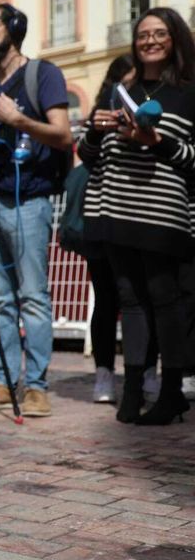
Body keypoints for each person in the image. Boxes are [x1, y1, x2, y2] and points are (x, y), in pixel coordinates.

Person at [79, 7, 194, 426]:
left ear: (175, 38)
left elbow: (192, 158)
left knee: (165, 302)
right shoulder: (119, 89)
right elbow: (88, 156)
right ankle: (131, 391)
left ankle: (170, 393)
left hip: (163, 213)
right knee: (129, 301)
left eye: (159, 33)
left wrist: (158, 141)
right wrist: (95, 130)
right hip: (114, 206)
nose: (149, 41)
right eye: (143, 34)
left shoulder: (188, 93)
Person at [0, 4, 72, 417]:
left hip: (27, 200)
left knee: (32, 295)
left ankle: (38, 386)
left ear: (14, 29)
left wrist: (18, 118)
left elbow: (62, 135)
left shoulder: (42, 74)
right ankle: (4, 381)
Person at [75, 55, 160, 405]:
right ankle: (105, 373)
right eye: (126, 83)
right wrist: (97, 129)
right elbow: (86, 154)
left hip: (144, 213)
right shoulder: (100, 113)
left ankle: (147, 371)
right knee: (106, 299)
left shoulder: (157, 107)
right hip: (103, 215)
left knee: (148, 297)